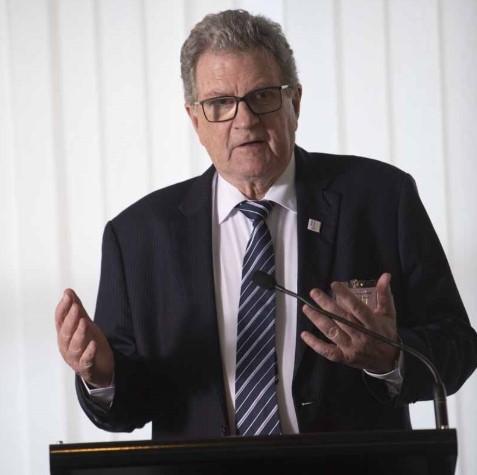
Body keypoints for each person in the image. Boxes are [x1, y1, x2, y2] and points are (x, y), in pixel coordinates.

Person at [55, 9, 477, 446]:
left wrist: (390, 356)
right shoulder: (137, 237)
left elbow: (458, 347)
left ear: (294, 102)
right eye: (220, 103)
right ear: (195, 120)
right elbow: (130, 406)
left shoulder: (381, 199)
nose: (245, 120)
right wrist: (102, 375)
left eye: (262, 96)